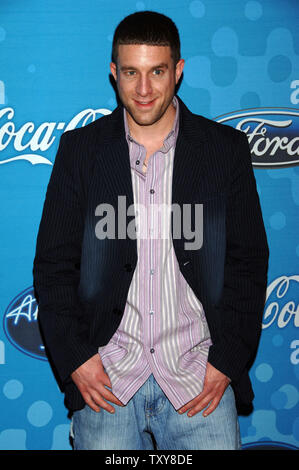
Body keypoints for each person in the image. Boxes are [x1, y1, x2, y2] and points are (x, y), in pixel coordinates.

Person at [33, 11, 269, 450]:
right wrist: (77, 361)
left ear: (177, 71)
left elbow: (248, 260)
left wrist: (227, 362)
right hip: (107, 380)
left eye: (157, 72)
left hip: (198, 378)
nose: (143, 90)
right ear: (113, 73)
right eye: (131, 72)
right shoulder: (81, 151)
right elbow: (54, 265)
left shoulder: (225, 150)